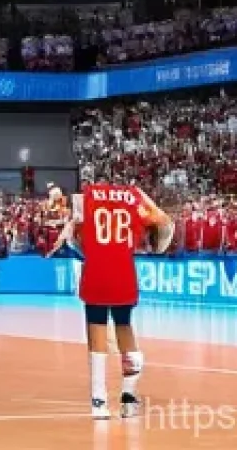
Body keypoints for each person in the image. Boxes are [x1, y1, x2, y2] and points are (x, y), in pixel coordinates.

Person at [72, 180, 172, 420]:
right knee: (125, 329)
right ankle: (128, 397)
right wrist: (155, 246)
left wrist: (90, 249)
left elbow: (76, 236)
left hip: (96, 270)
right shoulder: (135, 196)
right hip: (122, 272)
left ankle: (99, 401)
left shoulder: (85, 196)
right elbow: (165, 224)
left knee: (96, 335)